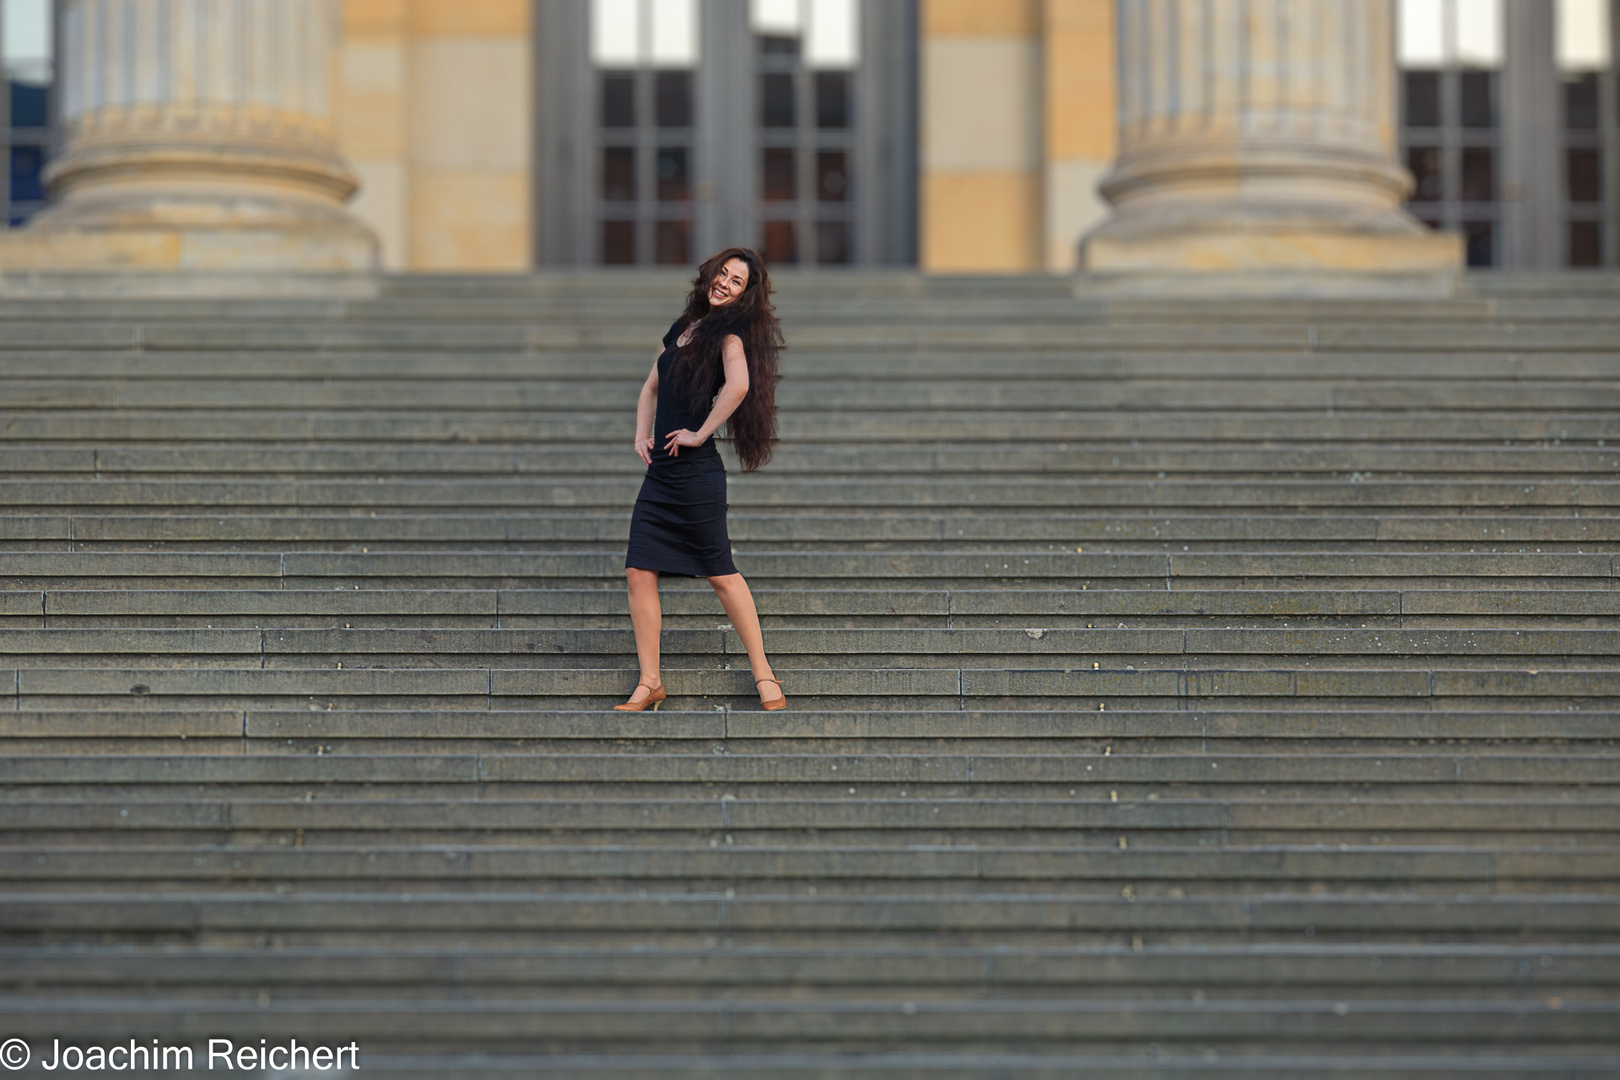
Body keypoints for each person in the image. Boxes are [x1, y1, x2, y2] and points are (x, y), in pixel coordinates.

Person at [616, 247, 786, 712]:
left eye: (737, 281)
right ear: (710, 274)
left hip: (696, 474)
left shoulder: (729, 337)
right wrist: (640, 435)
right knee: (638, 571)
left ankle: (764, 673)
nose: (725, 284)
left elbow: (739, 386)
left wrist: (700, 432)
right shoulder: (679, 329)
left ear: (745, 295)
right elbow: (650, 386)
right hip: (661, 476)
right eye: (723, 274)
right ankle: (650, 682)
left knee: (722, 574)